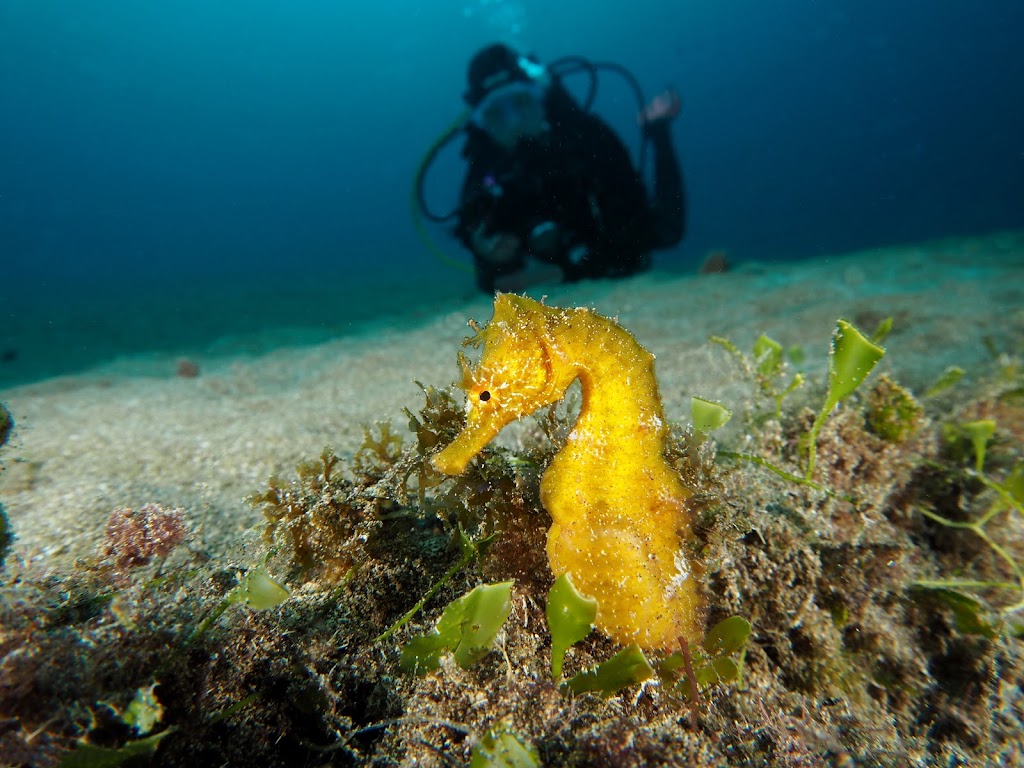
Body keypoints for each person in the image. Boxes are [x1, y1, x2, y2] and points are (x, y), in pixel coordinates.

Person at [456, 43, 686, 293]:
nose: (514, 124)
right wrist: (495, 258)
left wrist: (566, 271)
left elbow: (634, 241)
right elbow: (490, 281)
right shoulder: (486, 171)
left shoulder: (586, 138)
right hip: (556, 268)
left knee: (666, 232)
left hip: (602, 246)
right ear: (482, 124)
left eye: (521, 103)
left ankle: (657, 128)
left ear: (540, 99)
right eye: (496, 114)